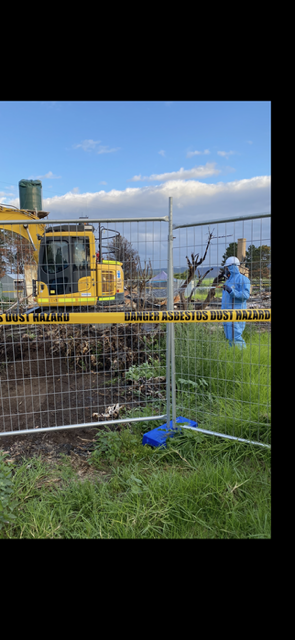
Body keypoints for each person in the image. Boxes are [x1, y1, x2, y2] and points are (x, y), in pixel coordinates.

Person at [221, 256, 251, 349]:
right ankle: (233, 355)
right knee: (229, 337)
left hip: (237, 313)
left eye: (227, 268)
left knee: (236, 337)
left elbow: (245, 295)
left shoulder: (243, 279)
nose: (226, 270)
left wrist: (231, 291)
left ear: (232, 267)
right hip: (226, 313)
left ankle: (242, 357)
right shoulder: (228, 281)